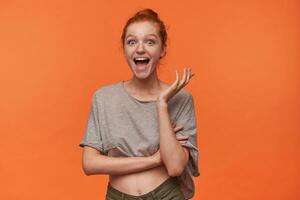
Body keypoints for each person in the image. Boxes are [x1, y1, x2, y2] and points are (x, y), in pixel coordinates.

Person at [79, 8, 200, 200]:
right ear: (125, 49)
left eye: (150, 41)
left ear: (162, 49)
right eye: (132, 41)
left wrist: (162, 104)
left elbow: (175, 167)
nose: (140, 48)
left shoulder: (181, 98)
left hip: (166, 194)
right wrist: (154, 159)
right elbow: (90, 164)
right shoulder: (104, 98)